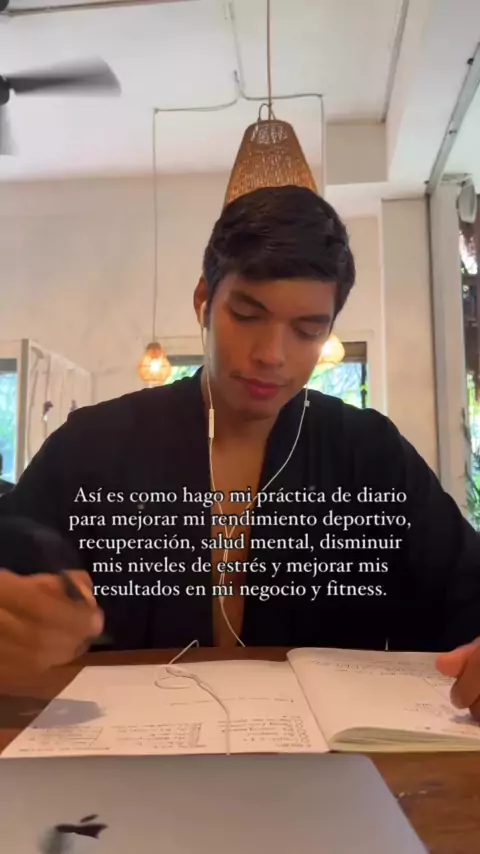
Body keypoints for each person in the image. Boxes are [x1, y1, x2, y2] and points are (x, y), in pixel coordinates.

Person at [0, 185, 479, 719]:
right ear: (204, 300)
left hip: (332, 763)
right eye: (248, 315)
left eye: (307, 331)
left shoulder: (371, 454)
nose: (272, 355)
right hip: (121, 755)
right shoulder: (92, 444)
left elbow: (465, 595)